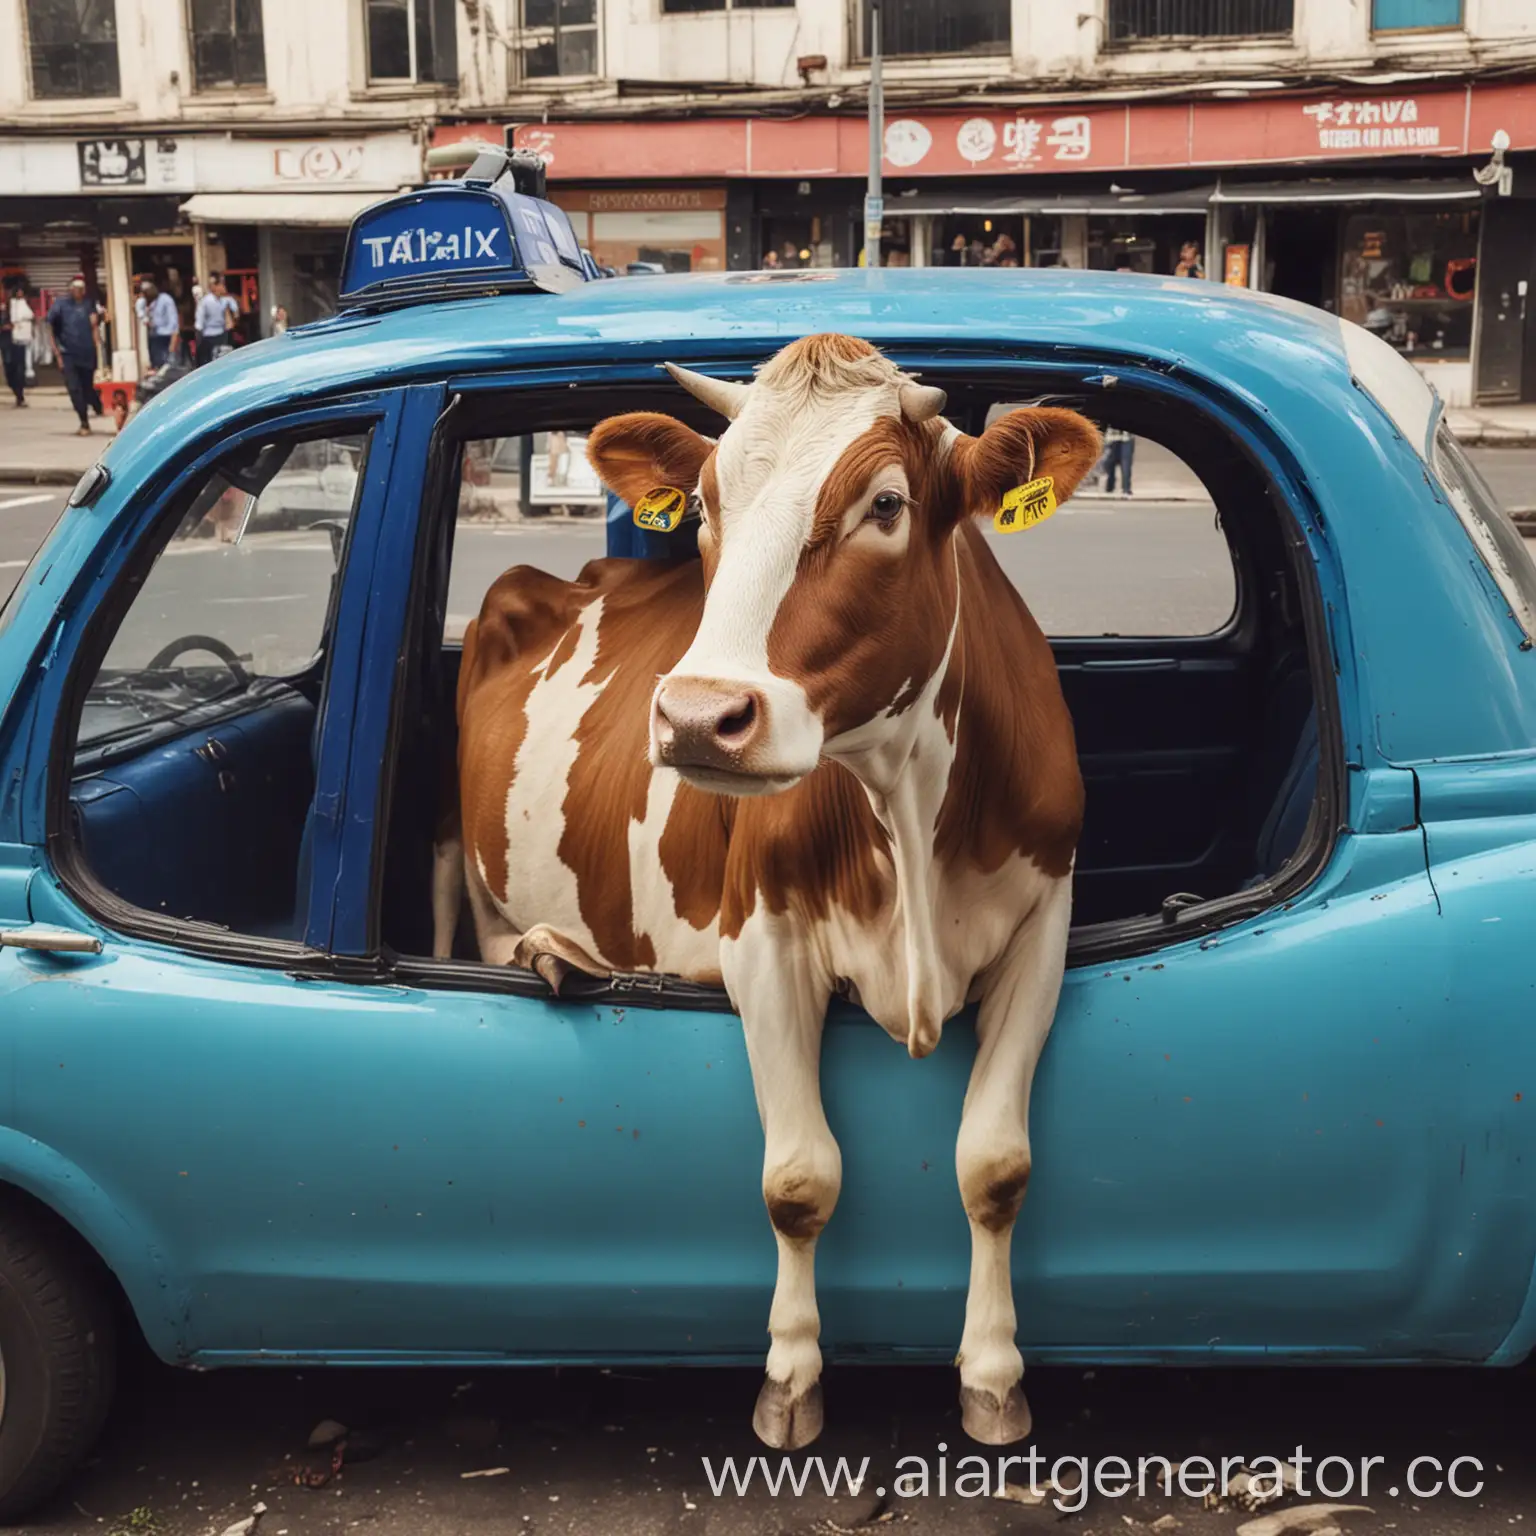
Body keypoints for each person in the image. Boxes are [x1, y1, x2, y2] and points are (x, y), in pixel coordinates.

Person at [47, 275, 101, 436]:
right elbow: (50, 327)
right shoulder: (61, 306)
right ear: (71, 290)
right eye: (75, 289)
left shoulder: (88, 305)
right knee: (74, 388)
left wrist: (98, 347)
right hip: (68, 353)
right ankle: (84, 421)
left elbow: (94, 327)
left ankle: (96, 404)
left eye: (81, 289)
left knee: (87, 387)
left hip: (87, 352)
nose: (78, 292)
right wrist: (57, 354)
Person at [137, 277, 180, 371]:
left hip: (165, 337)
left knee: (167, 366)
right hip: (153, 336)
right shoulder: (145, 303)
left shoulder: (165, 300)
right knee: (156, 365)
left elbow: (174, 322)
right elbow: (141, 315)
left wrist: (173, 342)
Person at [2, 279, 32, 407]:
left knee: (20, 367)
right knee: (9, 368)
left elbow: (30, 316)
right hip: (5, 340)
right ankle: (16, 391)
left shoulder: (20, 304)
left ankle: (20, 395)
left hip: (19, 339)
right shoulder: (6, 306)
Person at [194, 273, 236, 364]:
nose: (223, 287)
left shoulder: (226, 300)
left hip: (223, 336)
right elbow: (199, 324)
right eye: (221, 284)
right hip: (209, 338)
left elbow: (234, 317)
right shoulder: (205, 301)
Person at [1101, 424, 1135, 497]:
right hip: (1111, 436)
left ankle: (1126, 488)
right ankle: (1110, 486)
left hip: (1126, 437)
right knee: (1110, 462)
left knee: (1126, 463)